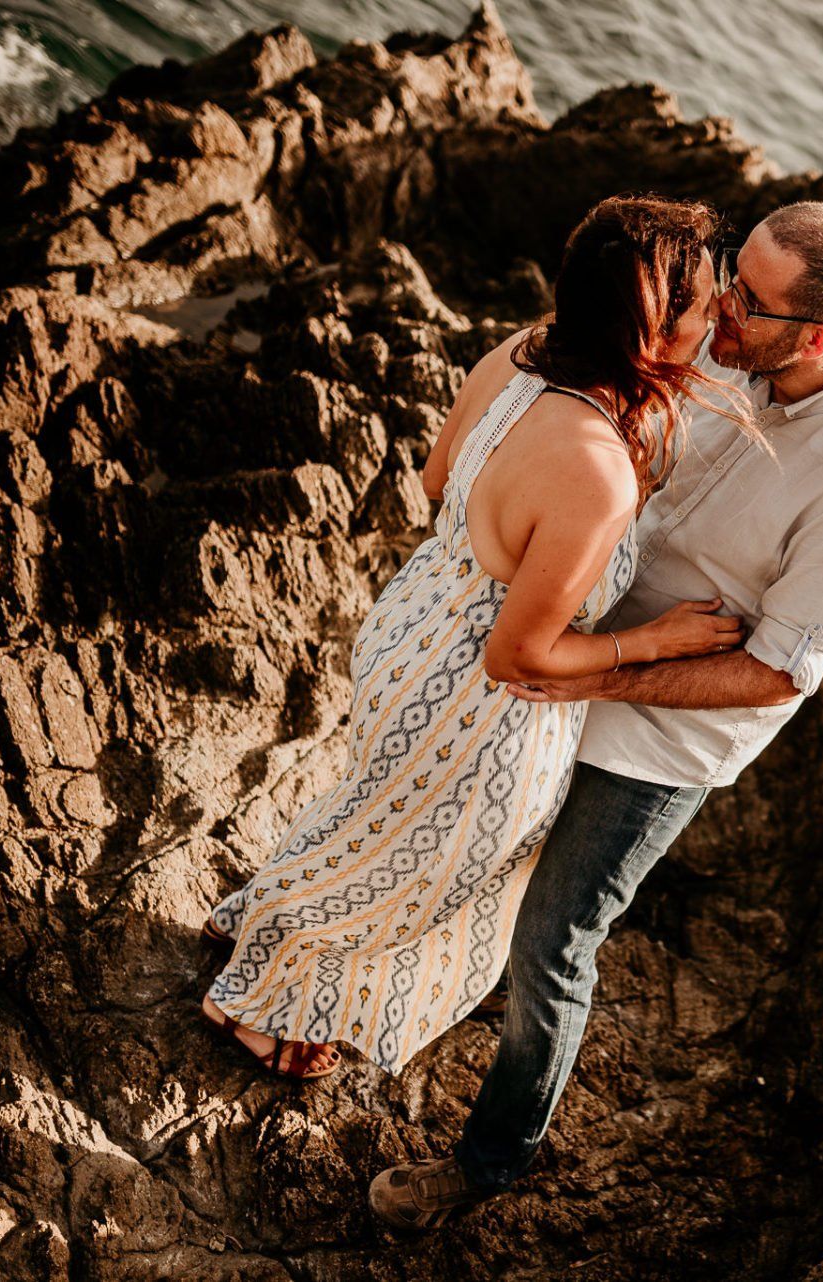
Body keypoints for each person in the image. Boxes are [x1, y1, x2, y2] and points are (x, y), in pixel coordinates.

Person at [369, 201, 823, 1229]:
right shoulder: (722, 332)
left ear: (815, 339)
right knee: (456, 850)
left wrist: (598, 676)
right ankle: (376, 1005)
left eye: (749, 300)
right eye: (731, 272)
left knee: (552, 940)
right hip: (554, 650)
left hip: (655, 738)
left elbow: (777, 673)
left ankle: (491, 1162)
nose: (720, 304)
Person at [195, 195, 754, 1081]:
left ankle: (261, 937)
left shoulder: (523, 354)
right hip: (477, 707)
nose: (721, 311)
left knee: (369, 825)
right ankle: (251, 1005)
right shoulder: (598, 472)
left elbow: (435, 477)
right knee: (411, 884)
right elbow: (518, 655)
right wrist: (653, 640)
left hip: (412, 629)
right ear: (653, 331)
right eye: (705, 302)